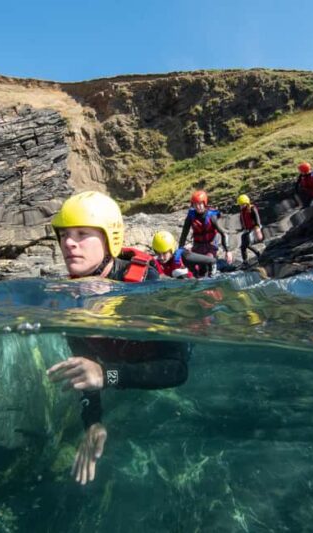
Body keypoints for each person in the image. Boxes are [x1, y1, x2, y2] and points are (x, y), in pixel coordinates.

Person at [45, 191, 189, 485]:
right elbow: (88, 372)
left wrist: (108, 375)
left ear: (110, 238)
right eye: (64, 235)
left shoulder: (151, 290)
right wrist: (93, 423)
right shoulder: (70, 299)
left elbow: (177, 369)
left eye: (82, 234)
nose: (68, 243)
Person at [177, 190, 232, 277]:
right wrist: (180, 248)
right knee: (200, 270)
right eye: (195, 204)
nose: (198, 207)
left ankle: (222, 266)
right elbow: (184, 233)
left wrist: (228, 251)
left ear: (204, 203)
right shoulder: (191, 216)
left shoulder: (212, 216)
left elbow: (223, 234)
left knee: (208, 263)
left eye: (200, 204)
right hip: (198, 246)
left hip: (210, 246)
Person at [150, 230, 216, 278]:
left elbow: (212, 261)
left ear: (171, 250)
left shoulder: (185, 256)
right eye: (158, 253)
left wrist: (208, 283)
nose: (161, 257)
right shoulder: (154, 263)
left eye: (164, 253)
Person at [236, 194, 263, 264]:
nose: (240, 206)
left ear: (246, 203)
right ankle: (245, 261)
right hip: (247, 230)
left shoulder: (252, 208)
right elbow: (243, 222)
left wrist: (257, 228)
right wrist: (241, 229)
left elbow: (257, 218)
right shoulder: (242, 212)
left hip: (253, 229)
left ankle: (258, 254)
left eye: (242, 204)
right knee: (243, 246)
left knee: (246, 244)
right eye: (240, 205)